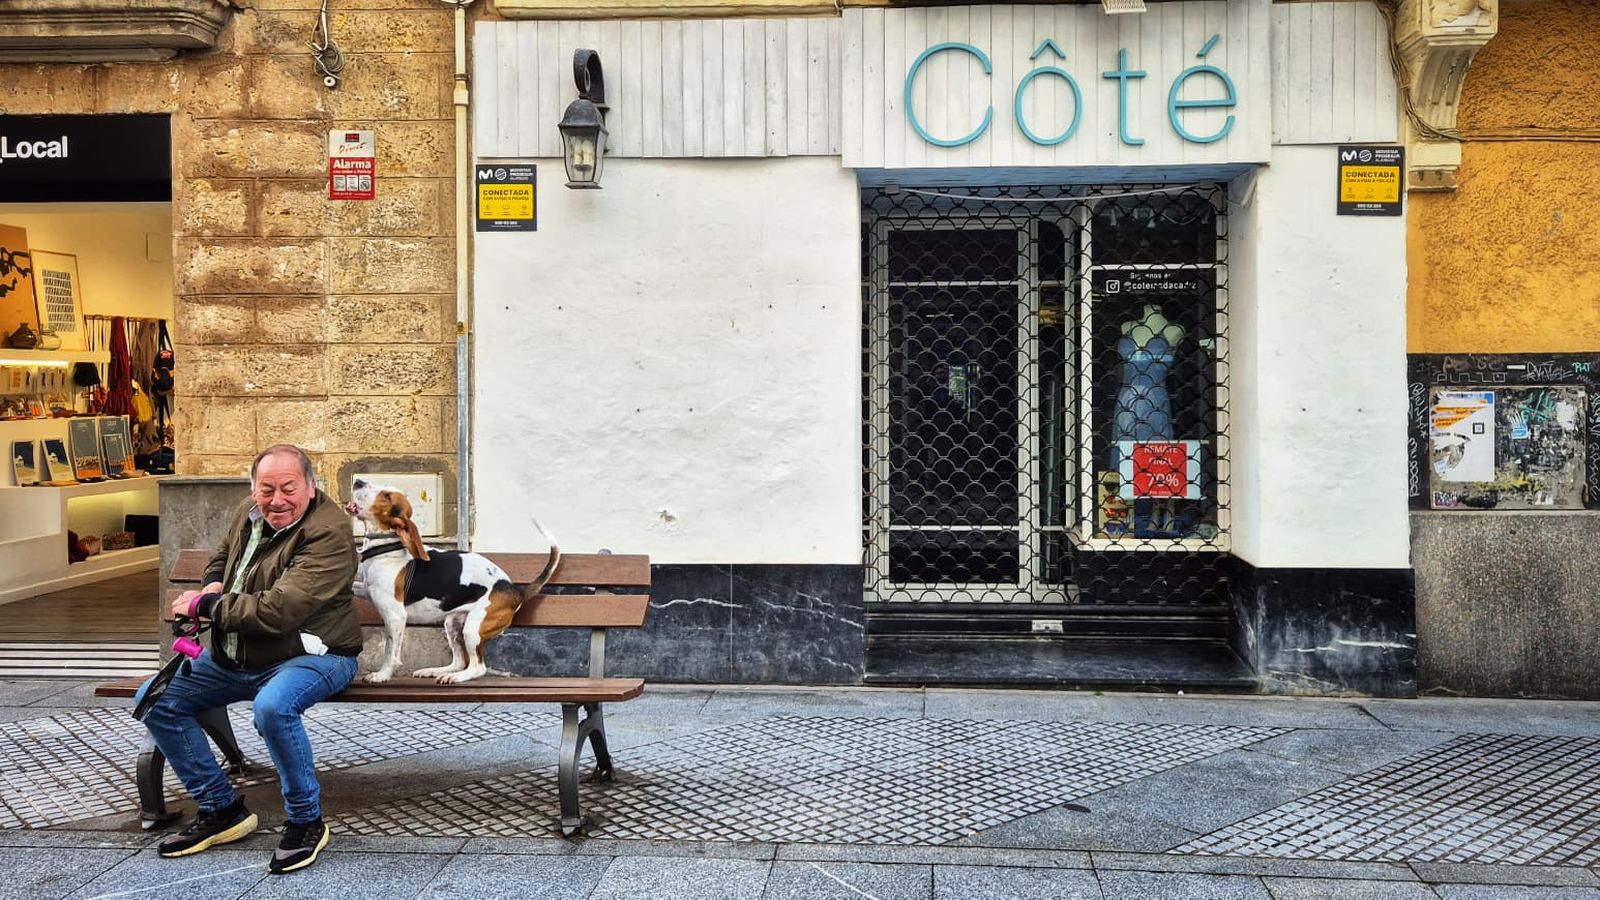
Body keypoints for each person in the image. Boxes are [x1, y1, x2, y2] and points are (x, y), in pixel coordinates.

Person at [133, 444, 362, 874]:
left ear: (311, 487)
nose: (277, 500)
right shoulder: (249, 510)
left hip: (313, 653)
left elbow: (279, 610)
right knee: (155, 697)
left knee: (273, 707)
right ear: (253, 488)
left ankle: (306, 820)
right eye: (266, 489)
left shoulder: (329, 531)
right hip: (236, 656)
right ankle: (221, 809)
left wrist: (203, 609)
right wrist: (212, 586)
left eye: (289, 488)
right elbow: (222, 557)